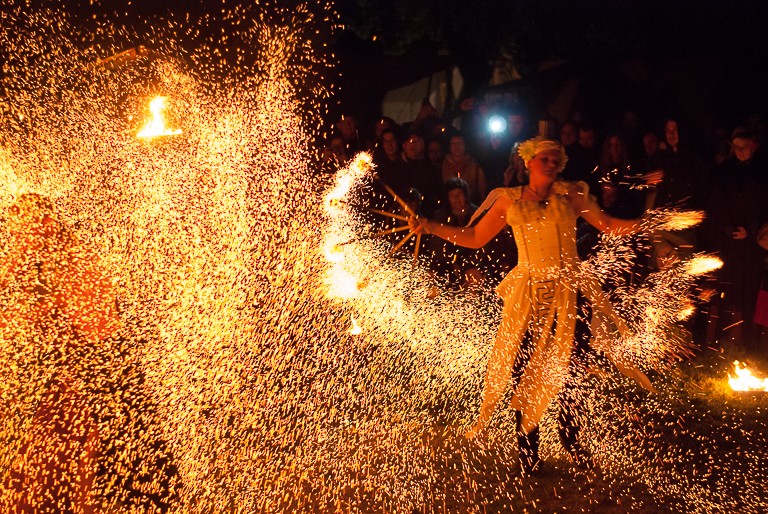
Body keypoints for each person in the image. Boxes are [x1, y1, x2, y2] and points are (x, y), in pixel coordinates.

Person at [409, 137, 656, 474]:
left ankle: (572, 438)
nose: (551, 164)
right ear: (528, 162)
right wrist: (431, 226)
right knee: (524, 370)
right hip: (528, 293)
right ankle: (528, 452)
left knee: (573, 369)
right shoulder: (508, 199)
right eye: (544, 158)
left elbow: (609, 225)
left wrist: (649, 224)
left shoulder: (571, 194)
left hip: (569, 290)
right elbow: (475, 237)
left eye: (556, 159)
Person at [0, 193, 121, 512]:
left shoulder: (71, 256)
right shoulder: (29, 259)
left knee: (61, 474)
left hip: (79, 381)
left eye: (22, 226)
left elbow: (99, 321)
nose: (15, 233)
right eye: (12, 227)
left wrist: (34, 312)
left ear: (47, 223)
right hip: (45, 381)